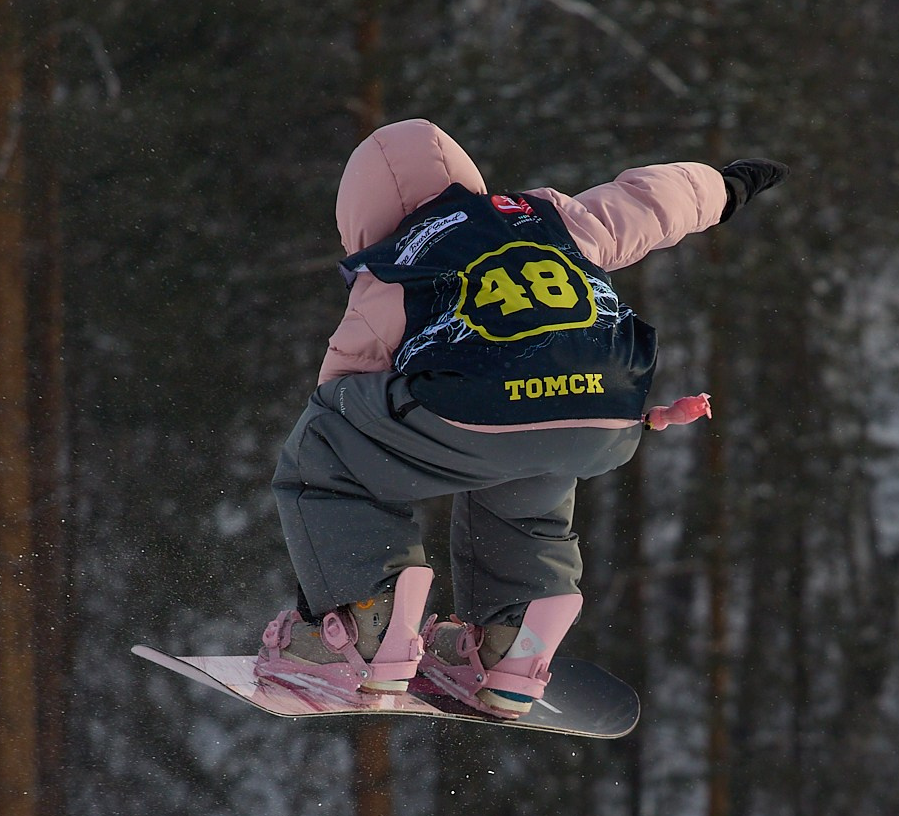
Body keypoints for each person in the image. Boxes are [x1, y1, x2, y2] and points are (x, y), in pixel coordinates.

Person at [256, 118, 784, 716]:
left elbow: (345, 384)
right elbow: (648, 203)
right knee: (527, 463)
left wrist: (341, 465)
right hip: (606, 410)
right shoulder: (547, 216)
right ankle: (510, 646)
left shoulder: (394, 261)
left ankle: (359, 631)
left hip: (487, 409)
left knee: (324, 445)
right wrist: (725, 187)